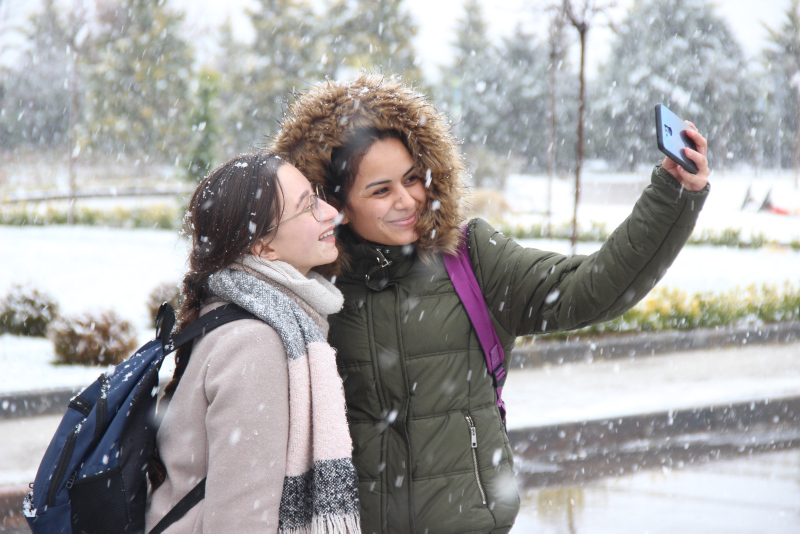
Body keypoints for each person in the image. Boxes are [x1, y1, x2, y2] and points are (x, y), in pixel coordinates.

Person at [270, 74, 710, 534]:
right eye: (380, 190)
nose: (407, 201)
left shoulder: (469, 256)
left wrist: (673, 194)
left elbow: (590, 288)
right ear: (335, 202)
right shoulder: (309, 285)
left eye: (412, 179)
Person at [145, 153, 361, 533]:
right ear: (263, 248)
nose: (330, 211)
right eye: (307, 207)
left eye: (316, 195)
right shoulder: (256, 342)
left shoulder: (238, 314)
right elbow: (241, 521)